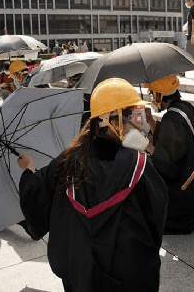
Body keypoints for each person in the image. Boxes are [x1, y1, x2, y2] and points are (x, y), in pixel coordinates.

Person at [17, 78, 168, 292]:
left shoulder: (68, 161)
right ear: (112, 122)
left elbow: (36, 193)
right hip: (130, 272)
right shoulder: (140, 165)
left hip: (78, 267)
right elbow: (157, 218)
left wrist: (29, 171)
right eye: (133, 117)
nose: (139, 124)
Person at [145, 74, 194, 234]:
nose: (152, 97)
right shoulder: (184, 107)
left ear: (160, 95)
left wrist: (146, 145)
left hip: (187, 186)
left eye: (153, 93)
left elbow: (166, 164)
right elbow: (174, 142)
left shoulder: (172, 118)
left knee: (153, 218)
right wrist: (151, 121)